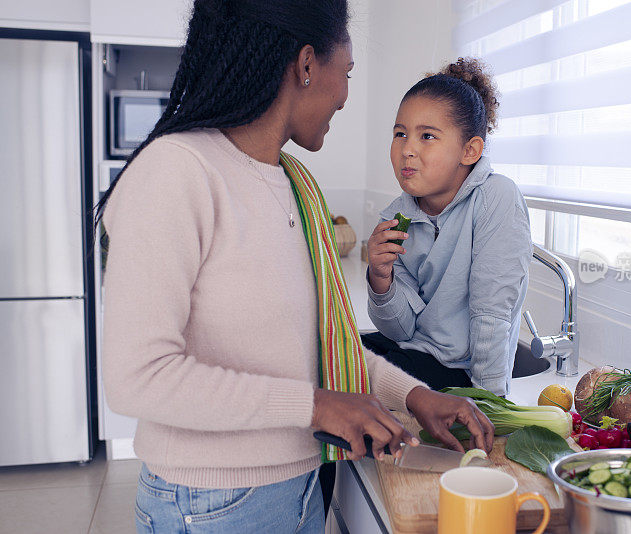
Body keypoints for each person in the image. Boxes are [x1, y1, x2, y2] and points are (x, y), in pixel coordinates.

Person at [96, 2, 494, 533]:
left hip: (299, 488)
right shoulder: (177, 172)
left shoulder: (296, 184)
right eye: (345, 74)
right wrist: (317, 407)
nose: (346, 96)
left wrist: (418, 397)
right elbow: (135, 378)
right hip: (211, 504)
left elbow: (327, 349)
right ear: (306, 65)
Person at [363, 58, 532, 397]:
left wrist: (488, 404)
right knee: (330, 354)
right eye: (400, 134)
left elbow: (492, 314)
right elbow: (400, 330)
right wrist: (381, 279)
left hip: (457, 377)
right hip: (412, 358)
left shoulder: (496, 197)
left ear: (470, 150)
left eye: (427, 136)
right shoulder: (397, 218)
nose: (407, 149)